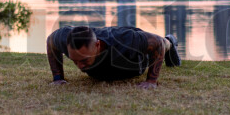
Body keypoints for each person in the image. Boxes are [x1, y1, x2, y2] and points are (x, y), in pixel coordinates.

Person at [47, 25, 181, 88]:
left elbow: (157, 44)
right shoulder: (67, 39)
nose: (80, 66)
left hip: (135, 63)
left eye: (84, 60)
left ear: (97, 45)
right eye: (74, 61)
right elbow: (50, 41)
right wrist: (58, 78)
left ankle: (171, 40)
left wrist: (151, 81)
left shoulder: (125, 40)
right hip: (105, 57)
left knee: (163, 42)